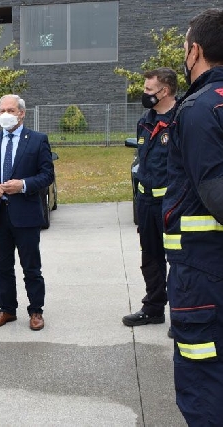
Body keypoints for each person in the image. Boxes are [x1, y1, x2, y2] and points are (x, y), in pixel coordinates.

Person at [162, 8, 223, 424]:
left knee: (204, 376)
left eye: (184, 47)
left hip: (202, 272)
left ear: (195, 51)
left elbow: (214, 188)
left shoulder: (199, 109)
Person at [0, 94, 54, 331]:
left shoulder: (38, 140)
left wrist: (23, 184)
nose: (5, 115)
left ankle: (36, 311)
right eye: (1, 111)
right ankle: (7, 309)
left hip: (26, 214)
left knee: (31, 267)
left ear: (22, 113)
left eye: (10, 110)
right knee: (2, 267)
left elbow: (47, 175)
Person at [122, 68, 177, 332]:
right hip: (146, 204)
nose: (144, 94)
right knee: (151, 259)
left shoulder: (182, 118)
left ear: (164, 91)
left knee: (179, 262)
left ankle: (181, 316)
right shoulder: (145, 119)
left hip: (173, 205)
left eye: (148, 90)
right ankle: (153, 309)